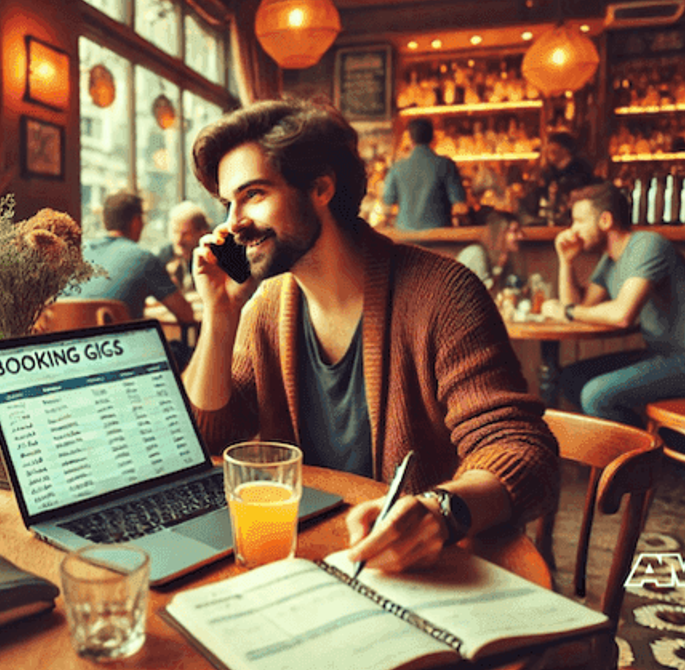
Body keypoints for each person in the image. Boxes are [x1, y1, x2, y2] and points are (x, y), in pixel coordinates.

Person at [184, 99, 558, 573]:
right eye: (226, 202)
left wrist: (440, 512)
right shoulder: (264, 307)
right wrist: (219, 316)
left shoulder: (443, 294)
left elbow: (522, 449)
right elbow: (210, 437)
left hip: (431, 567)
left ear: (320, 187)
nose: (231, 222)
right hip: (313, 558)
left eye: (253, 194)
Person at [541, 183, 685, 426]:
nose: (573, 230)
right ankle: (643, 447)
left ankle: (645, 455)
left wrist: (565, 312)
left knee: (595, 395)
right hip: (662, 356)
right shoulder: (609, 260)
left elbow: (621, 315)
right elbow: (581, 307)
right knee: (570, 378)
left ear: (605, 220)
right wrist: (565, 262)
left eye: (578, 221)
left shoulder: (647, 245)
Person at [70, 191, 195, 323]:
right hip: (120, 342)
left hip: (68, 340)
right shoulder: (144, 259)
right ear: (136, 221)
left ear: (104, 221)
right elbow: (186, 315)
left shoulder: (78, 254)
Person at [380, 118, 468, 230]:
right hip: (439, 236)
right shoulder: (446, 165)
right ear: (433, 138)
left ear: (410, 139)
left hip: (406, 236)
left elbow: (387, 203)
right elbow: (460, 204)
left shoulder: (397, 168)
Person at [456, 210, 526, 294]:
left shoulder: (504, 258)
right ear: (500, 234)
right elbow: (483, 296)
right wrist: (499, 269)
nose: (521, 236)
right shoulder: (476, 254)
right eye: (515, 231)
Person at [538, 131, 595, 223]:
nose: (548, 148)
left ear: (565, 149)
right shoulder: (549, 172)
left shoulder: (581, 168)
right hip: (553, 220)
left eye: (552, 145)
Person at [157, 200, 211, 293]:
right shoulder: (165, 256)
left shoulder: (212, 256)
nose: (178, 240)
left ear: (202, 233)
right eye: (175, 232)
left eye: (185, 234)